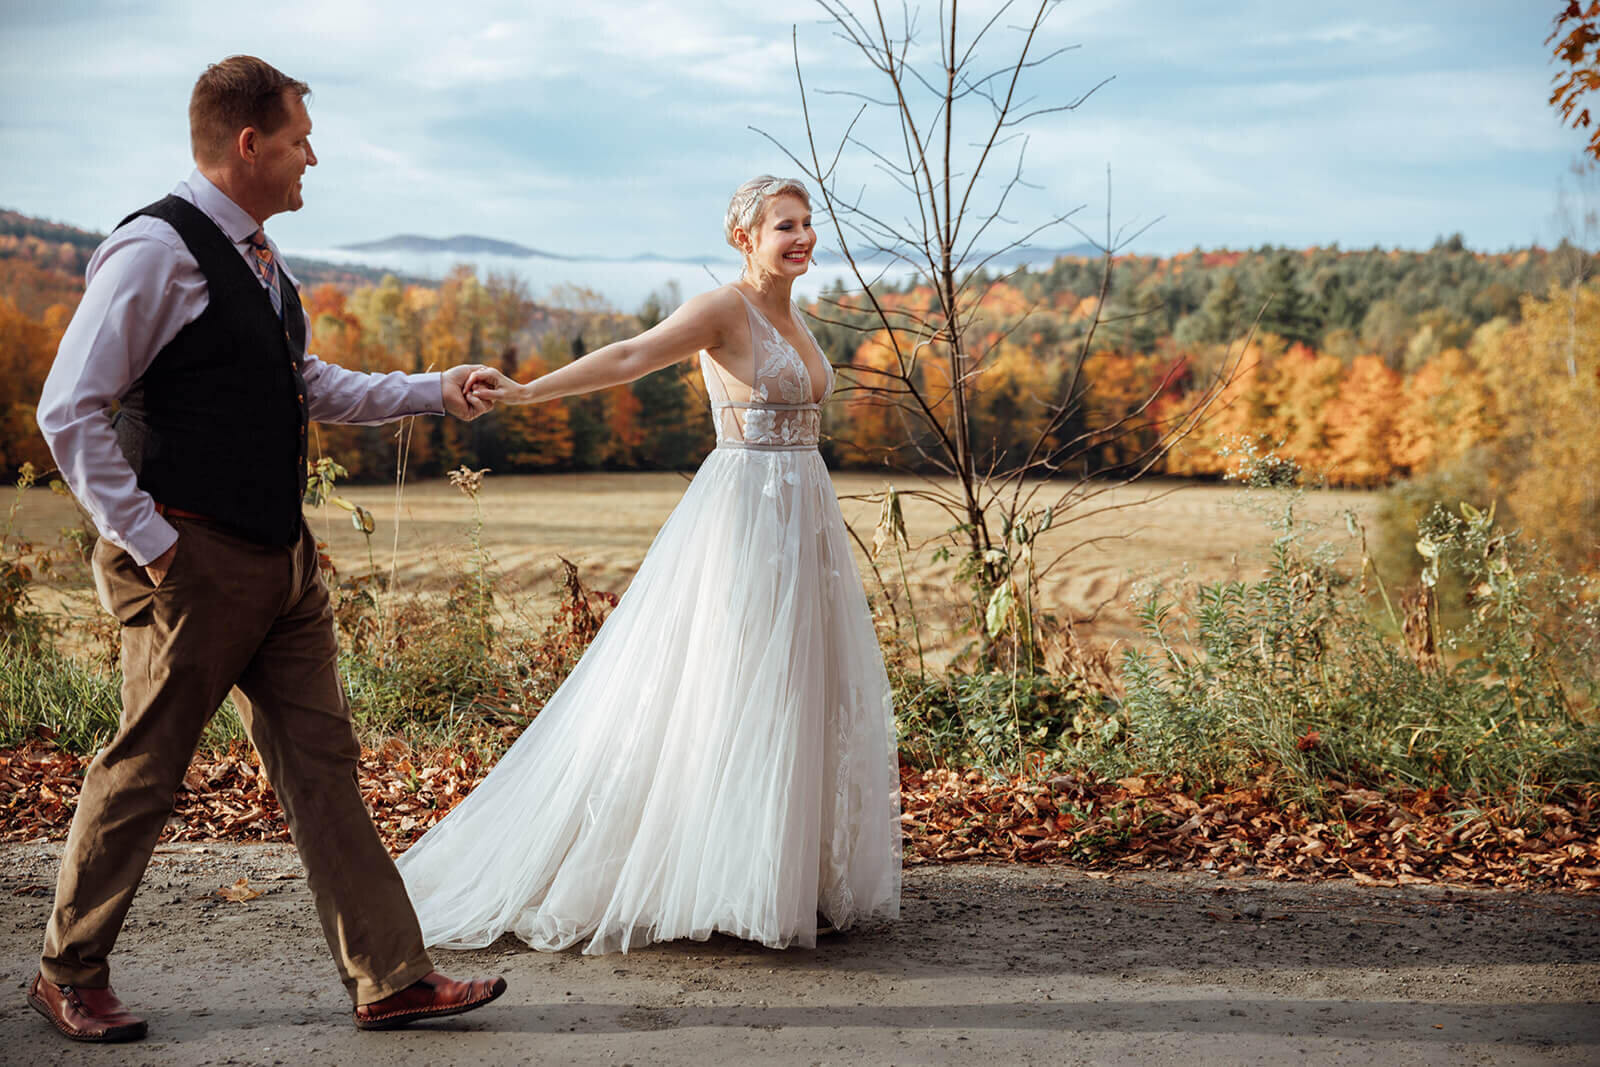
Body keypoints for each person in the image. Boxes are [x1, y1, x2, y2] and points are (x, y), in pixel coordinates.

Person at [29, 56, 506, 1043]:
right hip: (190, 558)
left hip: (279, 560)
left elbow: (304, 382)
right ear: (250, 145)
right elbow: (67, 410)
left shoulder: (256, 256)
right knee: (146, 766)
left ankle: (390, 974)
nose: (312, 159)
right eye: (299, 140)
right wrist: (156, 546)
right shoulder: (154, 249)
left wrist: (431, 387)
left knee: (323, 763)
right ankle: (67, 968)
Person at [396, 175, 902, 956]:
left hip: (804, 508)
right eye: (785, 227)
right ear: (745, 238)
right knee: (738, 681)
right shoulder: (722, 308)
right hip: (746, 513)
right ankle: (715, 875)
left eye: (807, 225)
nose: (802, 238)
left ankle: (778, 872)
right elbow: (631, 354)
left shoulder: (790, 311)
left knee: (801, 684)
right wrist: (529, 393)